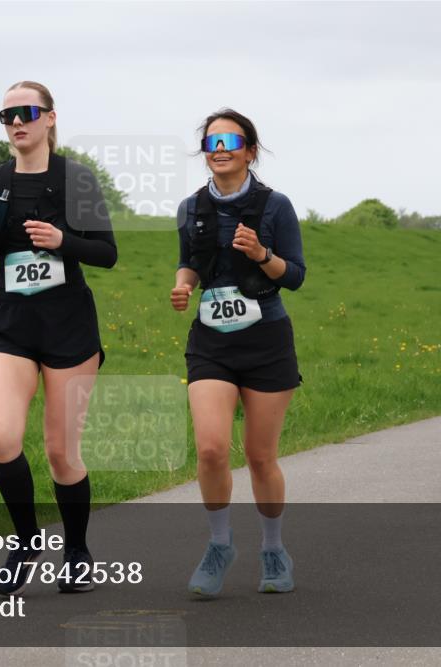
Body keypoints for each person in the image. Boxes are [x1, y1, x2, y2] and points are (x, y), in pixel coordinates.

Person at [0, 80, 117, 596]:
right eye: (7, 114)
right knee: (0, 438)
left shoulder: (76, 179)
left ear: (50, 119)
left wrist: (62, 242)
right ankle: (27, 539)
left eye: (27, 112)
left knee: (61, 453)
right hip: (10, 321)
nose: (16, 122)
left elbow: (107, 253)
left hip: (68, 325)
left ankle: (76, 551)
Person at [170, 108, 306, 596]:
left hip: (266, 339)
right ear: (204, 153)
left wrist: (261, 256)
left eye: (230, 141)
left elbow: (295, 275)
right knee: (209, 449)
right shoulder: (190, 209)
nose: (220, 148)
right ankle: (220, 544)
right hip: (211, 340)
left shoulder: (276, 207)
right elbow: (189, 263)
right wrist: (183, 286)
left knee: (260, 456)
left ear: (250, 150)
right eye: (211, 142)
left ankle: (273, 549)